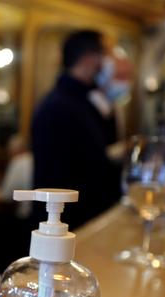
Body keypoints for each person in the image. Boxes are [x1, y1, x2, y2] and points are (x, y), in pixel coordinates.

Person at [31, 30, 122, 229]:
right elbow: (69, 174)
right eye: (106, 54)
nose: (111, 62)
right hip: (68, 224)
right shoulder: (59, 106)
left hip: (86, 218)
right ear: (90, 58)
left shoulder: (84, 100)